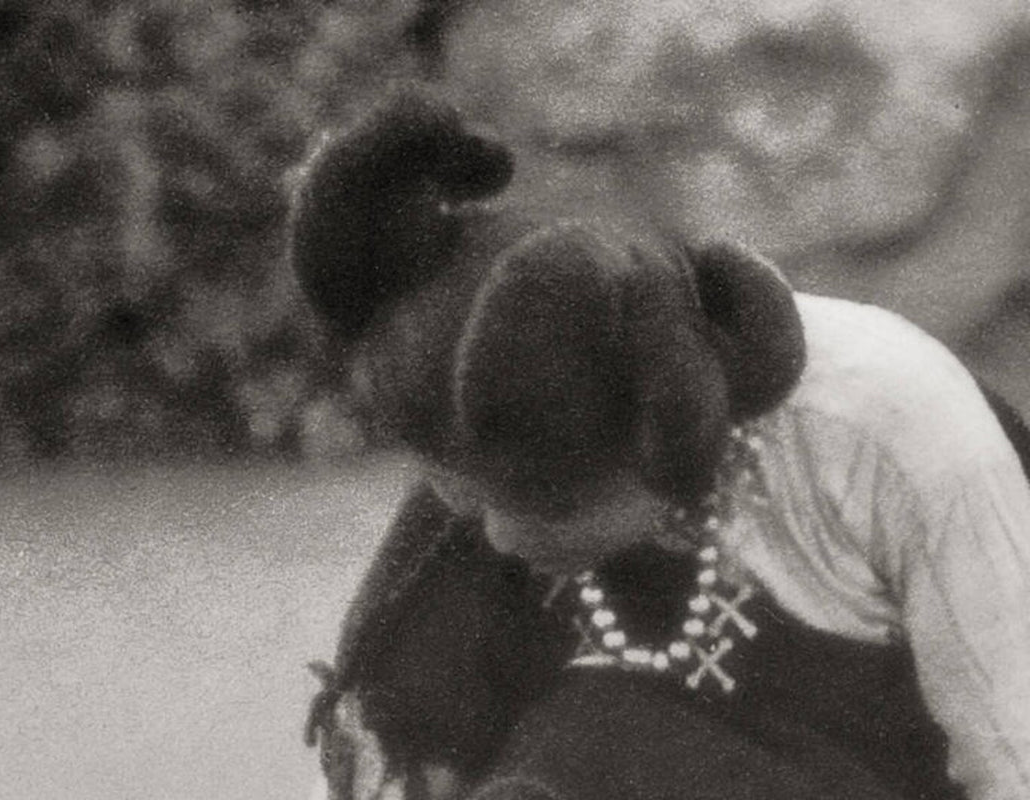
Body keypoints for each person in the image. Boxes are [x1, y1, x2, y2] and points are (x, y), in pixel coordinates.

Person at [292, 85, 1030, 800]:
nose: (498, 538)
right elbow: (393, 751)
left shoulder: (893, 428)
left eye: (546, 509)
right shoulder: (489, 455)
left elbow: (1013, 756)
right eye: (456, 488)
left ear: (657, 444)